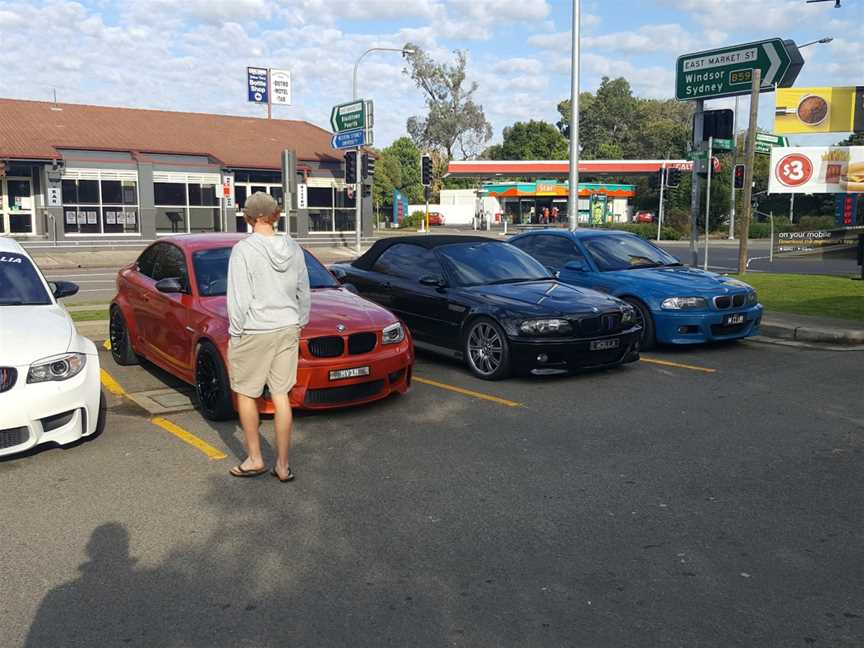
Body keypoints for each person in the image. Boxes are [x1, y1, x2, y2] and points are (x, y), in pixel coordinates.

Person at [227, 191, 310, 482]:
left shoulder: (244, 250)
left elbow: (239, 298)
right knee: (281, 395)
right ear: (275, 215)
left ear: (248, 217)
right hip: (287, 326)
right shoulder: (293, 246)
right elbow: (304, 288)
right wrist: (300, 321)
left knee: (247, 392)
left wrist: (235, 334)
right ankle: (283, 465)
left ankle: (255, 458)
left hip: (254, 329)